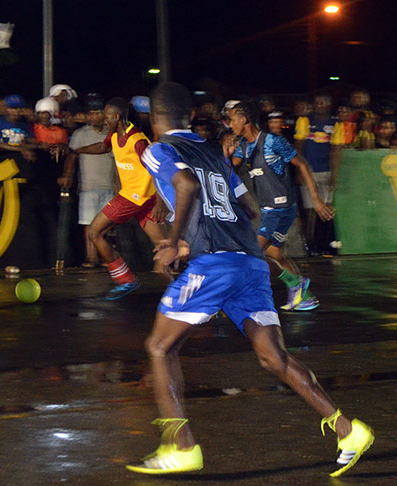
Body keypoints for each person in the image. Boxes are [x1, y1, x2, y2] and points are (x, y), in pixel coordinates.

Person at [127, 81, 374, 478]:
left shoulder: (158, 150)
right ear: (189, 116)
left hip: (215, 265)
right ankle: (348, 430)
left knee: (159, 347)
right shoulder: (213, 150)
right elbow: (247, 206)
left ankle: (181, 445)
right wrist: (205, 234)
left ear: (153, 118)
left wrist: (176, 242)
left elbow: (186, 184)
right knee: (273, 358)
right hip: (251, 262)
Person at [230, 101, 334, 311]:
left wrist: (316, 199)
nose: (230, 124)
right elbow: (229, 167)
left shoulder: (272, 141)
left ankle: (232, 298)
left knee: (253, 254)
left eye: (232, 119)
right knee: (275, 255)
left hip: (281, 208)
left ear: (244, 120)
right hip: (269, 209)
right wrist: (224, 154)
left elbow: (302, 164)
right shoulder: (243, 145)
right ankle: (303, 294)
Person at [74, 97, 165, 299]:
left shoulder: (138, 140)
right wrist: (75, 150)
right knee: (164, 245)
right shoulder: (115, 135)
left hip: (133, 198)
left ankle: (126, 280)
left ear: (116, 116)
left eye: (106, 116)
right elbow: (103, 147)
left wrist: (160, 201)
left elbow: (157, 169)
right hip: (140, 199)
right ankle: (194, 292)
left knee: (94, 232)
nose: (105, 119)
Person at [58, 94, 115, 268]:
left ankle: (106, 257)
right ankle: (91, 257)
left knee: (106, 225)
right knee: (89, 223)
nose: (93, 117)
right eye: (90, 113)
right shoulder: (80, 134)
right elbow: (72, 157)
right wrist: (67, 175)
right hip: (89, 186)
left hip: (109, 185)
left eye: (97, 113)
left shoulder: (110, 133)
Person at [293, 94, 342, 256]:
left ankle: (324, 244)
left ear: (329, 104)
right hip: (309, 171)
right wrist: (299, 171)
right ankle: (309, 245)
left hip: (326, 171)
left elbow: (336, 151)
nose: (319, 105)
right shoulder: (305, 121)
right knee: (310, 210)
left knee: (327, 210)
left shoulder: (336, 123)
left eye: (323, 102)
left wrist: (334, 174)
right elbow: (298, 146)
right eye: (317, 102)